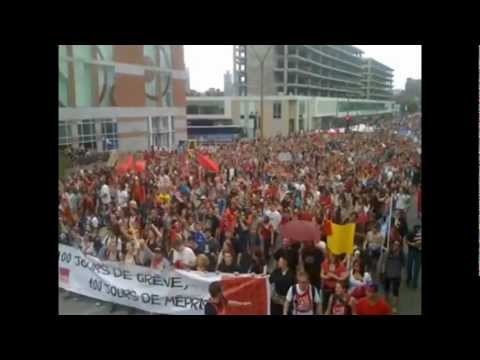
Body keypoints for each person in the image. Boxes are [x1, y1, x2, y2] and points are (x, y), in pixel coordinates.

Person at [380, 240, 405, 314]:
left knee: (395, 292)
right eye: (395, 244)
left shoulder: (401, 254)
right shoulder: (388, 253)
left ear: (400, 246)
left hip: (397, 275)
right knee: (386, 290)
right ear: (392, 245)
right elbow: (384, 263)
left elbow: (403, 264)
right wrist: (382, 272)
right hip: (388, 274)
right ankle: (385, 303)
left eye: (398, 245)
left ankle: (394, 307)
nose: (396, 246)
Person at [406, 225, 421, 289]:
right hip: (411, 251)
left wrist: (419, 243)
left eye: (419, 229)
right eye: (416, 229)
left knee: (417, 269)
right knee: (409, 266)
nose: (417, 230)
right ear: (414, 229)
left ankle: (414, 283)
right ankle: (409, 278)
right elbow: (406, 242)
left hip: (419, 253)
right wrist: (413, 244)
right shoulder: (410, 234)